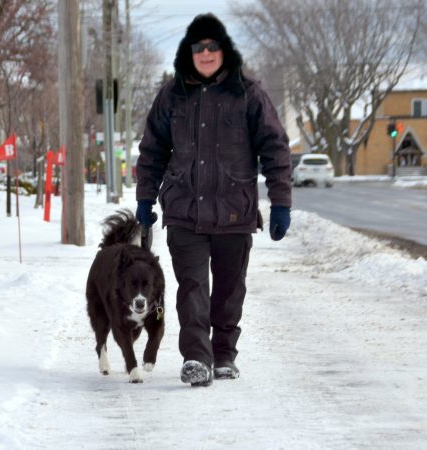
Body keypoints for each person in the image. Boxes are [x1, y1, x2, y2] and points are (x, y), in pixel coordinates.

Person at [135, 13, 292, 387]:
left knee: (228, 290)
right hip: (184, 210)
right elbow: (152, 149)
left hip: (233, 210)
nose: (205, 54)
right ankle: (196, 358)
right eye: (198, 48)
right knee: (192, 288)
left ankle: (223, 355)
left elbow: (275, 148)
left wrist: (281, 201)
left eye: (212, 47)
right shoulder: (172, 95)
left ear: (224, 51)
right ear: (188, 53)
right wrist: (145, 199)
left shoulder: (248, 93)